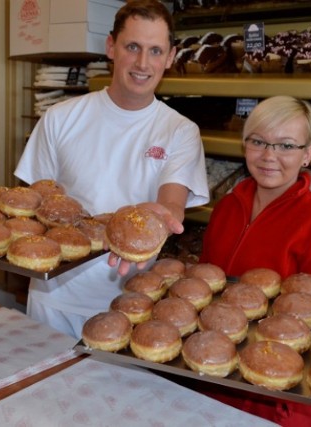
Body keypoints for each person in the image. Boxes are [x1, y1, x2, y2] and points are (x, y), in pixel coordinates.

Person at [14, 0, 209, 339]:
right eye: (132, 47)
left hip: (134, 307)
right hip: (55, 300)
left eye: (155, 50)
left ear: (170, 57)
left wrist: (162, 215)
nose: (142, 63)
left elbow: (173, 202)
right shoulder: (60, 118)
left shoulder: (180, 131)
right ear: (111, 47)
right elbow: (35, 202)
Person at [198, 95, 311, 427]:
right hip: (210, 374)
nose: (269, 156)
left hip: (273, 401)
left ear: (307, 153)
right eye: (259, 142)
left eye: (286, 146)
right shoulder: (227, 207)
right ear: (245, 145)